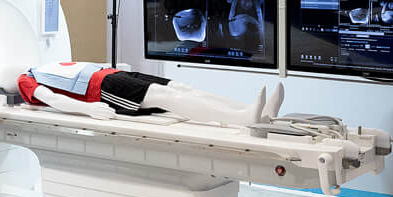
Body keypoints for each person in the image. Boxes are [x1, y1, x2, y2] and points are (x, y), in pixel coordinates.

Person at [15, 61, 279, 126]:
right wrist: (88, 109)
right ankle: (242, 119)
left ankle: (248, 109)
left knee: (180, 88)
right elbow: (52, 99)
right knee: (168, 98)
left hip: (112, 74)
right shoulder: (25, 79)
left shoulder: (41, 64)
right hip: (103, 90)